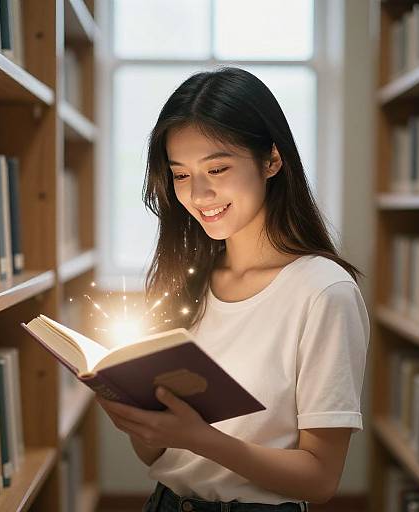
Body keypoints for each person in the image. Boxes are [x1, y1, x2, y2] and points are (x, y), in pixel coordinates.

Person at [97, 66, 370, 511]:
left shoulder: (323, 292)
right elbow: (162, 457)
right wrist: (141, 423)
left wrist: (201, 439)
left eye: (217, 168)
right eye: (180, 175)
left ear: (272, 160)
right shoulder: (187, 279)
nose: (199, 194)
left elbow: (320, 479)